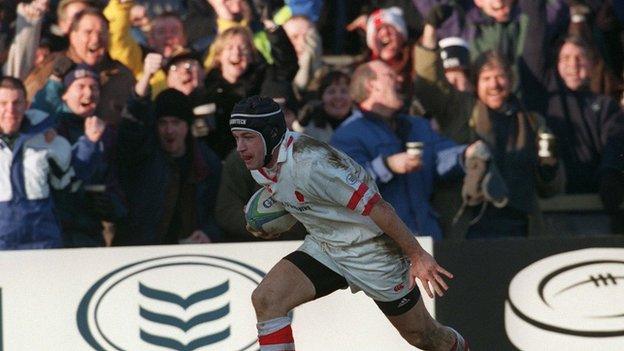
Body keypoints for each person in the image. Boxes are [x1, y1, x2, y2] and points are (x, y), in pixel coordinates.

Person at [230, 95, 469, 350]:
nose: (240, 147)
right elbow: (301, 200)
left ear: (272, 133)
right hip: (325, 246)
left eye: (248, 137)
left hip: (372, 252)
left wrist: (417, 255)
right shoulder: (259, 162)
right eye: (237, 138)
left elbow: (380, 209)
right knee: (267, 299)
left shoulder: (313, 164)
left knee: (424, 337)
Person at [331, 61, 468, 241]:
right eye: (390, 76)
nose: (400, 79)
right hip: (382, 246)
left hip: (429, 239)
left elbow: (439, 156)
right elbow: (346, 186)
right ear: (371, 85)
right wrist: (387, 166)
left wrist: (465, 155)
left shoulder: (417, 125)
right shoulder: (347, 135)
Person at [0, 76, 101, 249]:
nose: (11, 110)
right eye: (3, 103)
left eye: (17, 103)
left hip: (43, 242)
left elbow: (69, 182)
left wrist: (89, 145)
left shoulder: (47, 139)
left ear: (26, 105)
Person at [115, 87, 222, 245]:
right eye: (163, 123)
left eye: (176, 123)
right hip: (143, 250)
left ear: (187, 126)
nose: (169, 130)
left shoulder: (206, 162)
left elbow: (218, 210)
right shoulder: (142, 156)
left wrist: (208, 234)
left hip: (193, 252)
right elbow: (130, 127)